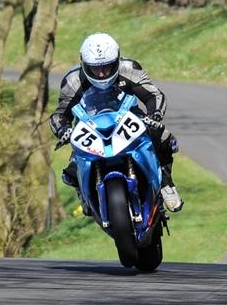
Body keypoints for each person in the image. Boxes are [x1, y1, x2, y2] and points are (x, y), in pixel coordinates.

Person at [50, 32, 183, 212]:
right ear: (84, 64)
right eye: (95, 68)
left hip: (128, 118)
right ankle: (83, 191)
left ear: (117, 60)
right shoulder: (73, 80)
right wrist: (63, 130)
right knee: (72, 167)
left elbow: (154, 95)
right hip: (90, 126)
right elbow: (59, 115)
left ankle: (166, 183)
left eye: (107, 66)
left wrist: (154, 116)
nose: (102, 73)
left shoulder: (129, 68)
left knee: (163, 137)